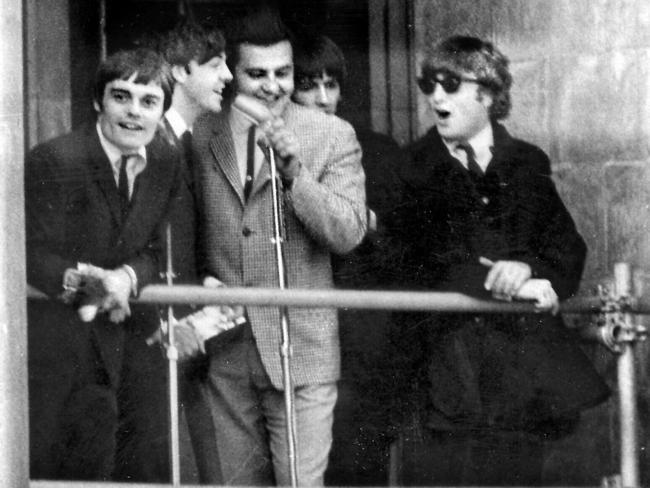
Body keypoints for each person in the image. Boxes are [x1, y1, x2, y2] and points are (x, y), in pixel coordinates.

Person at [384, 35, 610, 486]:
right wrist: (499, 282)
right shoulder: (411, 167)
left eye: (449, 83)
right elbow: (418, 259)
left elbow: (567, 249)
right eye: (429, 84)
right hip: (446, 378)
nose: (435, 97)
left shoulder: (527, 163)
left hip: (521, 380)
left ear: (486, 92)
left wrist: (530, 271)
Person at [189, 7, 367, 486]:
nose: (272, 86)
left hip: (301, 349)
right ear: (231, 73)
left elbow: (349, 231)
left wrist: (295, 175)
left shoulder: (332, 134)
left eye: (283, 73)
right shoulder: (203, 130)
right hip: (225, 352)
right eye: (256, 74)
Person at [25, 48, 177, 480]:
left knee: (139, 469)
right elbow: (27, 254)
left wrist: (126, 279)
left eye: (149, 102)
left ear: (163, 111)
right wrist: (93, 286)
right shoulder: (56, 159)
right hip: (66, 350)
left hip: (131, 349)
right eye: (121, 97)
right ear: (98, 101)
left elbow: (157, 249)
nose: (134, 113)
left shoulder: (166, 160)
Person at [112, 23, 233, 483]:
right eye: (215, 64)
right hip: (156, 334)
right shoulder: (152, 141)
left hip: (179, 327)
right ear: (181, 71)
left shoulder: (184, 141)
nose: (226, 76)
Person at [292, 33, 402, 486]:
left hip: (359, 337)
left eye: (331, 85)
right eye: (309, 85)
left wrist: (368, 225)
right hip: (299, 332)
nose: (322, 98)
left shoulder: (376, 151)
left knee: (360, 457)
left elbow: (405, 247)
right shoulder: (265, 147)